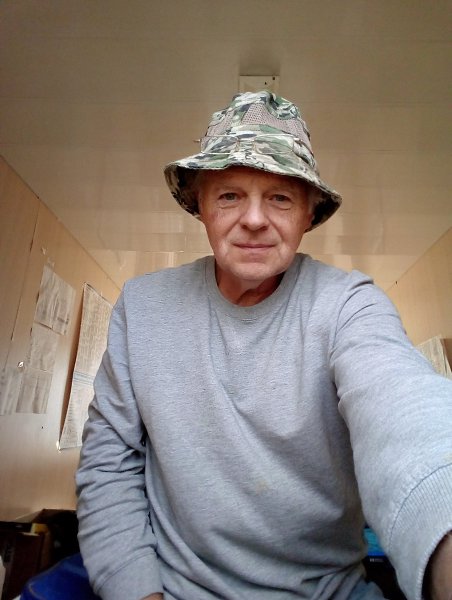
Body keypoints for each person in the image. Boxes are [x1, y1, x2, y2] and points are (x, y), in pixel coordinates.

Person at [76, 91, 452, 600]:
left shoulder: (349, 305)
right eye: (230, 195)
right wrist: (138, 592)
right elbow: (109, 462)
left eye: (280, 197)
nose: (254, 219)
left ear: (308, 214)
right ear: (200, 206)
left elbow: (405, 411)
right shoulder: (142, 307)